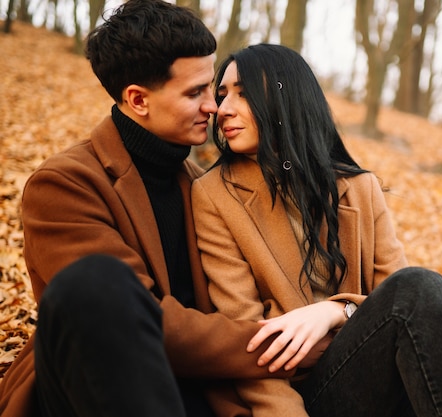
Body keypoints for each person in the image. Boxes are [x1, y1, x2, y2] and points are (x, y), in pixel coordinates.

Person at [191, 43, 442, 417]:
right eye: (222, 94)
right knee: (421, 286)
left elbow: (397, 305)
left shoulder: (357, 188)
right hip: (308, 392)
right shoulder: (214, 195)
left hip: (385, 371)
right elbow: (248, 341)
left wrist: (335, 310)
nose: (223, 108)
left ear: (285, 98)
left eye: (241, 93)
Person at [0, 3, 297, 417]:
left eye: (212, 88)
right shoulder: (64, 184)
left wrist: (335, 313)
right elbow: (145, 325)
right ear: (138, 100)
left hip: (207, 393)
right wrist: (285, 345)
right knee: (99, 282)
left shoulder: (204, 186)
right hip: (92, 393)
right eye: (196, 93)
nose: (214, 107)